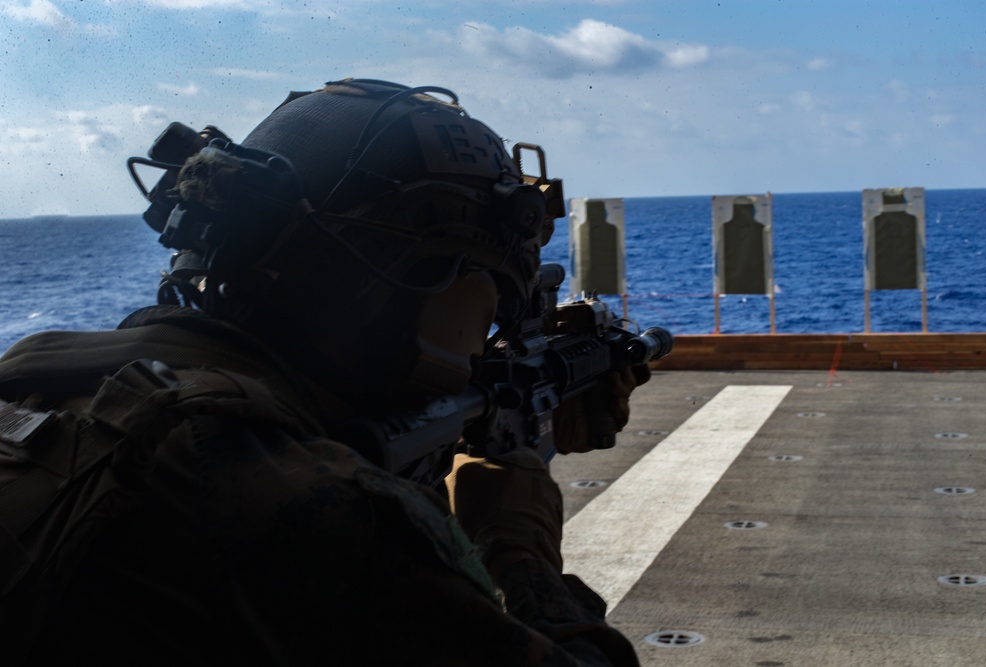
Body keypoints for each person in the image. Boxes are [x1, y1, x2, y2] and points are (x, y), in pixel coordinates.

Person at [0, 78, 645, 665]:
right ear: (433, 290)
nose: (486, 333)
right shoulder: (313, 509)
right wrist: (518, 553)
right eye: (493, 297)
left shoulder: (43, 379)